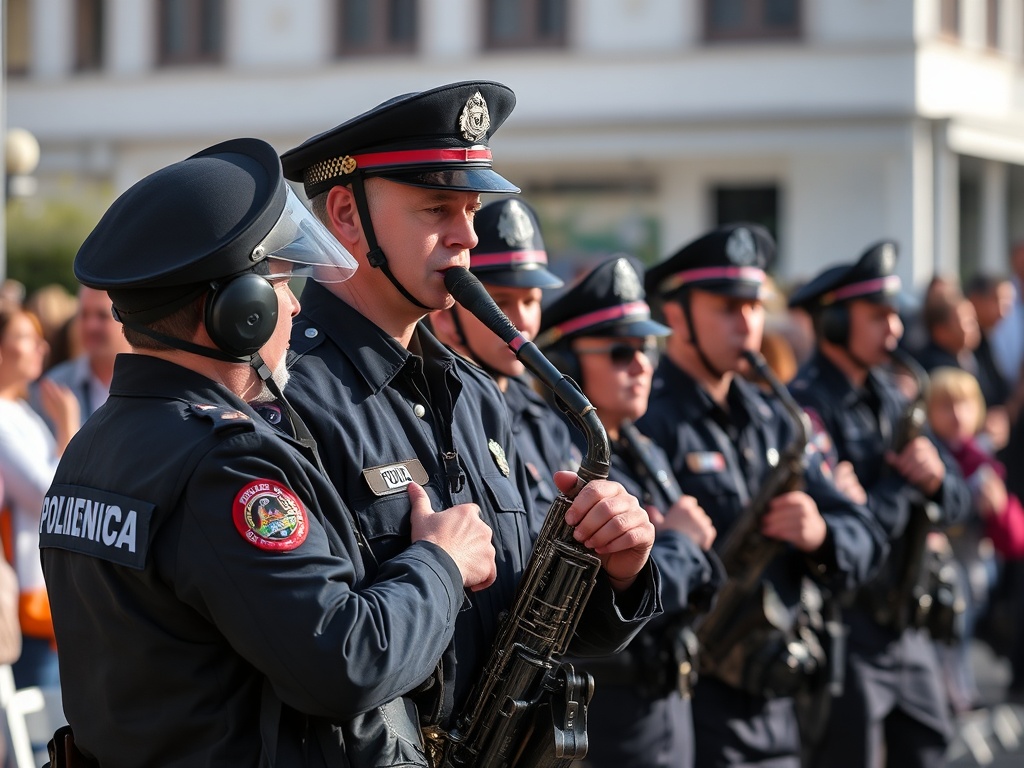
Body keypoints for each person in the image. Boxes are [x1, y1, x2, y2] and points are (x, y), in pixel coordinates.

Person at [40, 138, 501, 767]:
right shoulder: (224, 464)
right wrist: (440, 563)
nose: (292, 302)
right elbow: (344, 664)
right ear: (240, 314)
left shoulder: (95, 444)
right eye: (281, 281)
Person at [279, 81, 660, 737]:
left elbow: (528, 628)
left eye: (472, 210)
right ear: (345, 214)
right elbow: (316, 653)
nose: (467, 238)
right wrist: (436, 569)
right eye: (437, 209)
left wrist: (617, 571)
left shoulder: (475, 391)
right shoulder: (290, 395)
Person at [636, 223, 886, 767]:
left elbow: (867, 535)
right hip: (697, 699)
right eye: (727, 307)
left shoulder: (775, 418)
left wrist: (820, 534)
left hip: (782, 689)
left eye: (753, 306)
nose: (747, 323)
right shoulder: (649, 419)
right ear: (676, 315)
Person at [787, 240, 972, 768]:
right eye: (878, 316)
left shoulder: (894, 397)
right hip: (848, 626)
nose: (894, 329)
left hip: (905, 624)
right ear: (837, 323)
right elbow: (854, 531)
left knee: (931, 745)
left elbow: (957, 501)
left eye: (895, 315)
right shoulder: (806, 405)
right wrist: (898, 488)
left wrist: (934, 479)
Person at [535, 256, 719, 768]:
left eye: (646, 348)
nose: (642, 364)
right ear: (568, 368)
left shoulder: (638, 444)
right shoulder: (570, 464)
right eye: (620, 351)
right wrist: (680, 544)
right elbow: (606, 589)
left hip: (667, 701)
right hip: (610, 714)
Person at [429, 196, 578, 513]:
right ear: (445, 318)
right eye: (501, 303)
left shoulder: (538, 411)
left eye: (530, 301)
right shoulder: (443, 418)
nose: (522, 322)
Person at [0, 307, 79, 689]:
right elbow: (48, 498)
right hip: (26, 597)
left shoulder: (19, 411)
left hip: (42, 593)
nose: (41, 347)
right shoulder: (2, 416)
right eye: (26, 337)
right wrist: (68, 429)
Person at [30, 285, 132, 429]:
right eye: (84, 315)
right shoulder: (53, 387)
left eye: (102, 316)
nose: (91, 326)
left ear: (127, 321)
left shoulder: (149, 383)